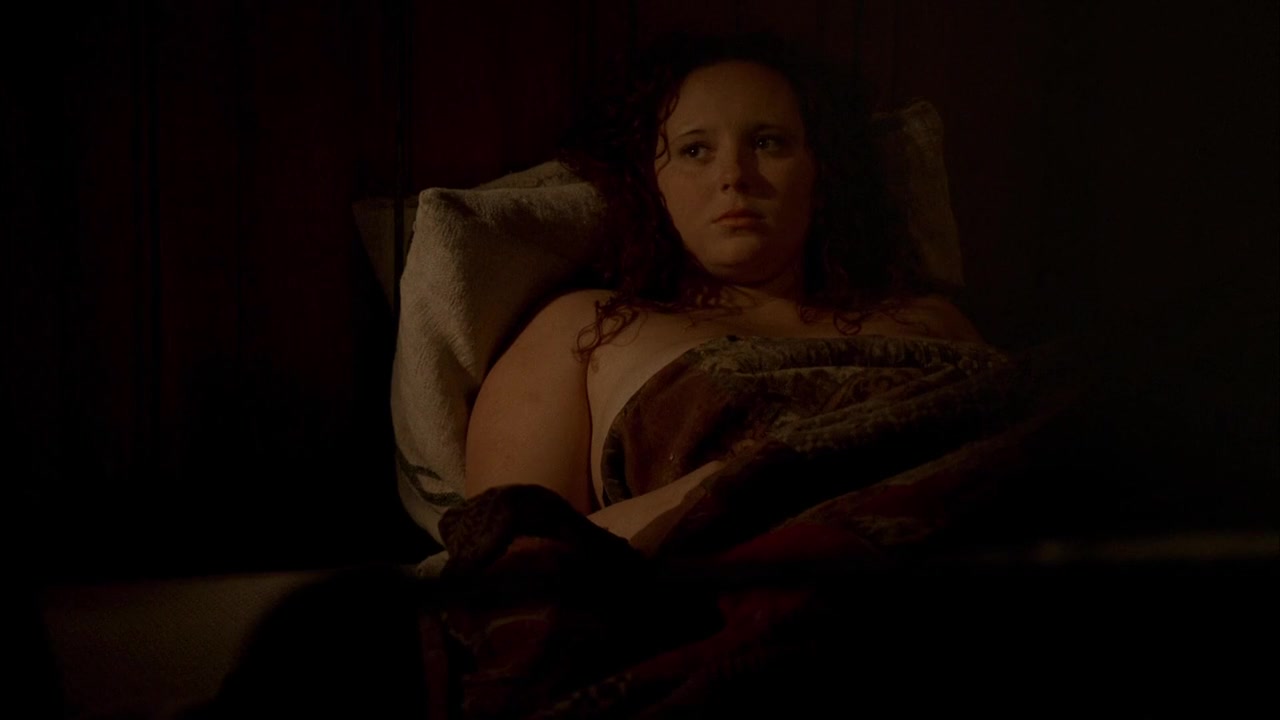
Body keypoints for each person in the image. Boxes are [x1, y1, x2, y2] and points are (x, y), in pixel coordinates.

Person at [464, 33, 984, 543]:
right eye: (695, 150)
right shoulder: (584, 328)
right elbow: (511, 555)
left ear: (821, 171)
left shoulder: (931, 319)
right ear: (651, 182)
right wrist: (713, 490)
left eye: (767, 142)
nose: (735, 175)